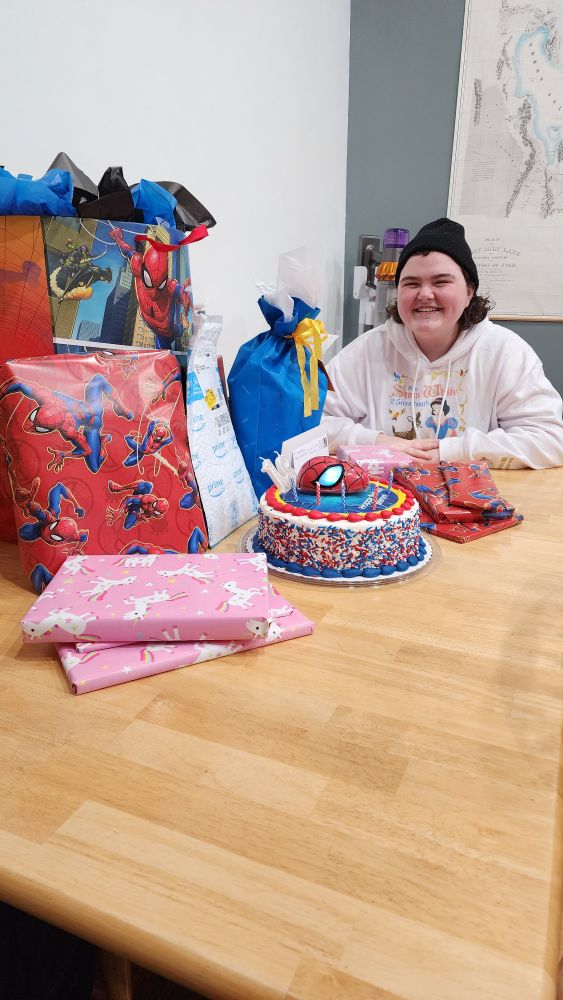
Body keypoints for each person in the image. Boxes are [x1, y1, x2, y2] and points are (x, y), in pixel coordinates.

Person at [323, 218, 563, 468]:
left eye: (440, 282)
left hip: (475, 499)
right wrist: (378, 441)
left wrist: (454, 451)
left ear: (469, 291)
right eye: (411, 283)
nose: (425, 294)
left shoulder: (505, 352)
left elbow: (550, 440)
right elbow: (311, 423)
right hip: (386, 498)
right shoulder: (367, 351)